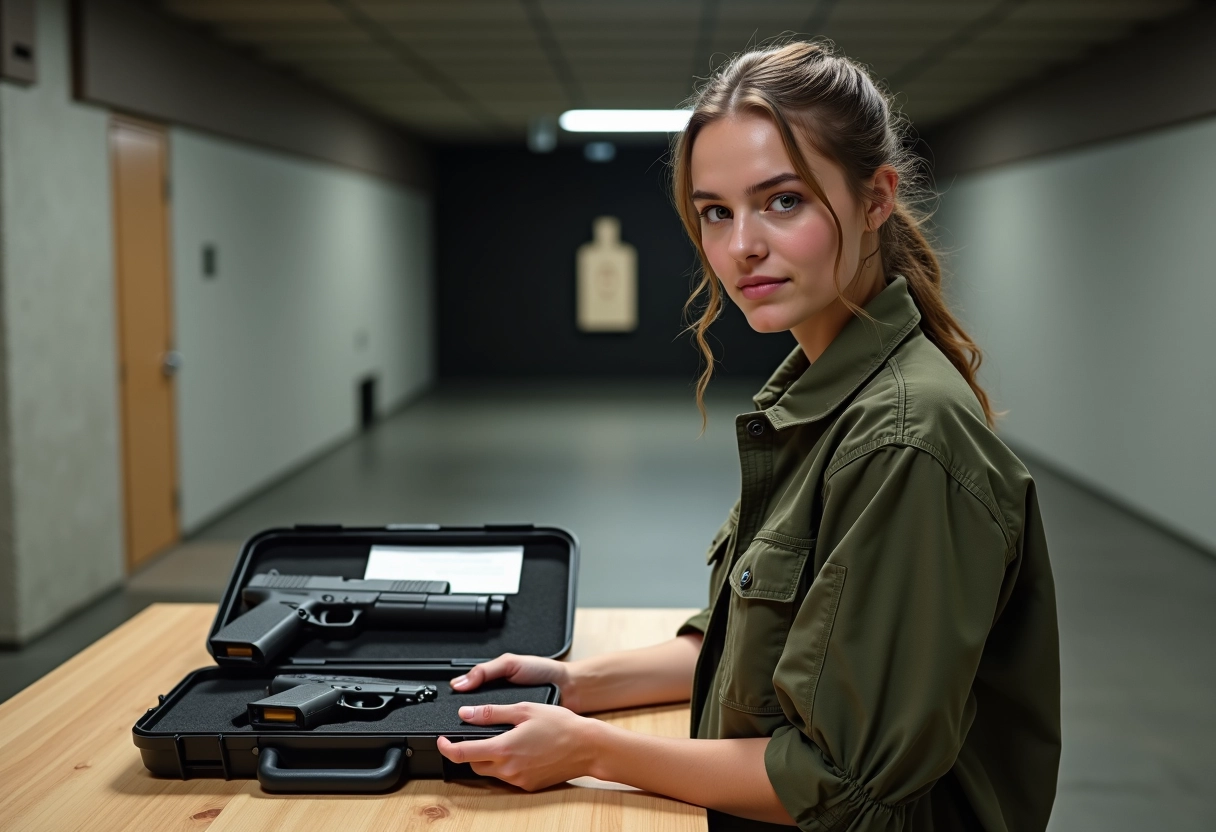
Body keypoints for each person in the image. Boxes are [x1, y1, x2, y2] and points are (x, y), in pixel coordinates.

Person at [437, 41, 1061, 831]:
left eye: (784, 201)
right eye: (716, 213)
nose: (742, 247)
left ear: (876, 200)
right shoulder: (821, 397)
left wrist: (588, 749)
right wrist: (573, 686)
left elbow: (842, 786)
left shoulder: (903, 439)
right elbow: (749, 656)